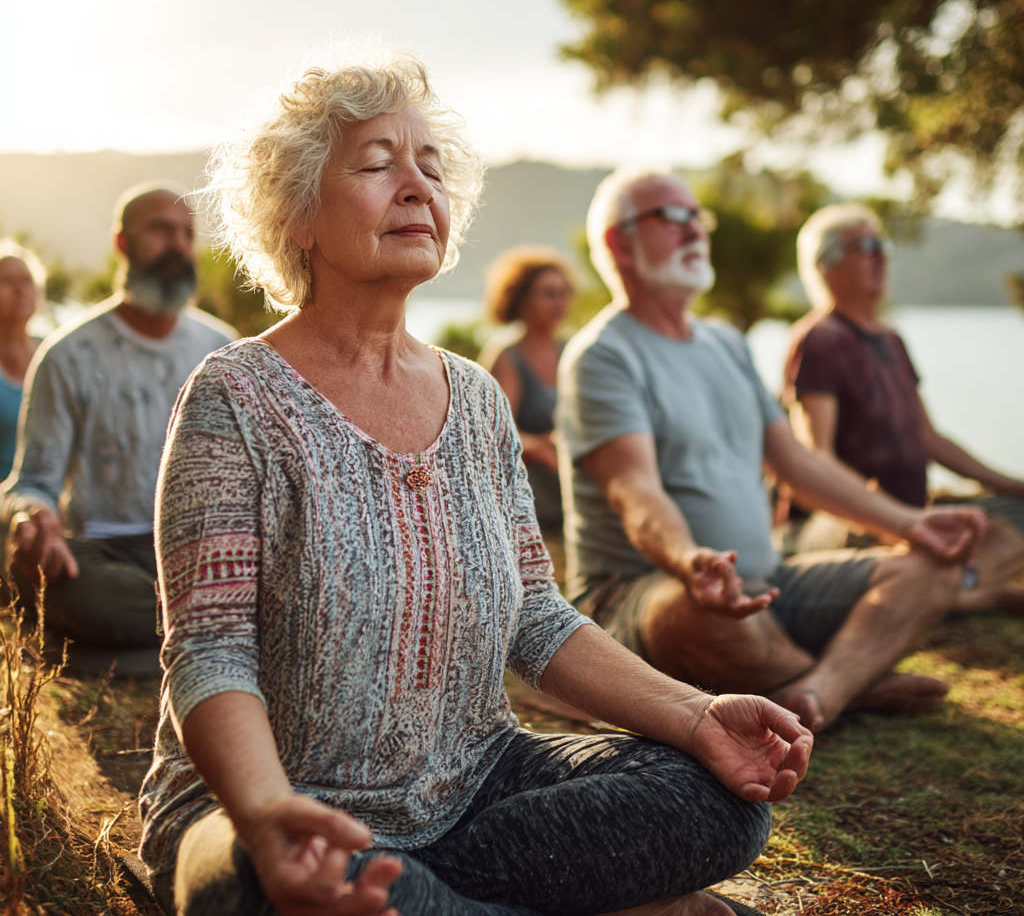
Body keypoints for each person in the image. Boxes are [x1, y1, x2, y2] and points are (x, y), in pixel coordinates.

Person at [138, 50, 813, 916]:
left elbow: (535, 615)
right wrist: (269, 813)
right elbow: (210, 649)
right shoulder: (235, 395)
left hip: (474, 789)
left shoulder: (480, 401)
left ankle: (433, 902)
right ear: (296, 216)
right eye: (378, 164)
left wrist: (694, 715)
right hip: (270, 808)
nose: (417, 186)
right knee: (271, 887)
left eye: (431, 167)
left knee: (717, 801)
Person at [556, 167, 989, 736]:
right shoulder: (602, 357)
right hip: (646, 591)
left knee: (932, 567)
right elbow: (633, 490)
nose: (695, 231)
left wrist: (913, 523)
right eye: (674, 217)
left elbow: (797, 464)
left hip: (768, 582)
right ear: (619, 243)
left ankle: (821, 694)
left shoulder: (726, 343)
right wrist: (690, 560)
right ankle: (853, 684)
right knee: (699, 613)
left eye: (699, 218)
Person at [1, 181, 235, 676]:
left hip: (203, 553)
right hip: (104, 554)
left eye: (187, 233)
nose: (178, 245)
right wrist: (32, 516)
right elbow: (34, 482)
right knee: (54, 581)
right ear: (122, 243)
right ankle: (215, 639)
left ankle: (106, 655)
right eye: (161, 231)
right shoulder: (68, 354)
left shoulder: (223, 350)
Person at [783, 204, 1024, 611]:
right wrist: (888, 515)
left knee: (1016, 514)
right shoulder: (819, 341)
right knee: (910, 543)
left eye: (883, 245)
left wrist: (1012, 485)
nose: (881, 256)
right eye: (866, 246)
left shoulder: (891, 340)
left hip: (911, 515)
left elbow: (929, 438)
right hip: (842, 521)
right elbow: (815, 456)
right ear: (826, 264)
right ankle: (958, 592)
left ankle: (956, 589)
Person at [483, 247, 575, 528]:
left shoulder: (570, 349)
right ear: (521, 299)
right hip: (530, 500)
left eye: (563, 293)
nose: (558, 302)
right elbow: (494, 432)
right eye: (548, 293)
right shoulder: (507, 356)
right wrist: (544, 447)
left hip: (572, 490)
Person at [0, 242, 45, 480]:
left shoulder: (55, 353)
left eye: (27, 280)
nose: (20, 289)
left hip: (51, 508)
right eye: (6, 281)